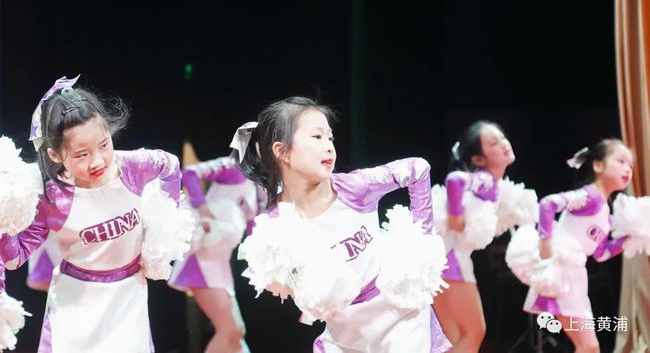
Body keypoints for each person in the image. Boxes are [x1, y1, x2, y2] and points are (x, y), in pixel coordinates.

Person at [235, 96, 450, 353]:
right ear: (282, 152)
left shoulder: (356, 188)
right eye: (317, 137)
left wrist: (420, 247)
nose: (328, 146)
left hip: (399, 318)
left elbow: (417, 168)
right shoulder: (275, 226)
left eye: (330, 138)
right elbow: (285, 285)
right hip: (345, 334)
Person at [0, 75, 182, 352]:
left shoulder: (134, 166)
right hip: (75, 305)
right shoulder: (53, 198)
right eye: (81, 154)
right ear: (56, 155)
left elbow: (171, 166)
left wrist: (163, 231)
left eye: (104, 145)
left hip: (128, 298)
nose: (97, 160)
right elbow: (15, 258)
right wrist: (3, 223)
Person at [521, 139, 633, 353]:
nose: (627, 168)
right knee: (588, 346)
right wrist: (546, 245)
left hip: (576, 276)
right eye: (621, 161)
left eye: (630, 165)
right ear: (598, 165)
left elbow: (601, 253)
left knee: (589, 347)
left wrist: (630, 238)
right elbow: (548, 204)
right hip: (562, 272)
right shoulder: (590, 196)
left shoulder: (605, 211)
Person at [432, 121, 516, 352]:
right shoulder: (485, 180)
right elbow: (455, 180)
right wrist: (455, 217)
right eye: (493, 142)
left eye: (502, 138)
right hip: (452, 261)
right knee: (473, 333)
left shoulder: (492, 183)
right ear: (479, 159)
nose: (503, 144)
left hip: (441, 260)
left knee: (453, 338)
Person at [169, 156, 265, 353]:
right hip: (202, 260)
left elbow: (252, 229)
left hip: (221, 264)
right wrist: (204, 210)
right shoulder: (233, 167)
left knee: (237, 332)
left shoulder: (258, 186)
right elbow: (190, 173)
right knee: (231, 331)